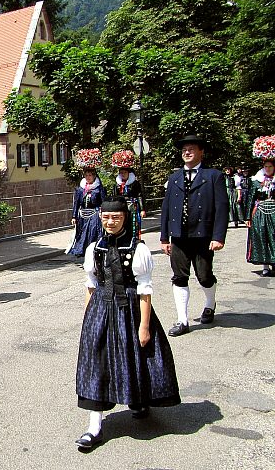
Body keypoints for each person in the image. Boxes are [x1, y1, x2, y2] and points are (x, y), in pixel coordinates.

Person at [75, 197, 180, 451]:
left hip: (129, 309)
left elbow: (145, 291)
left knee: (135, 356)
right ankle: (94, 427)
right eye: (106, 217)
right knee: (96, 364)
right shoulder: (94, 248)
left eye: (116, 218)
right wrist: (89, 318)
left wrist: (144, 326)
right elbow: (91, 285)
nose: (110, 222)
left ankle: (139, 401)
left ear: (125, 218)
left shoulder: (138, 249)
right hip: (100, 309)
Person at [160, 135, 229, 337]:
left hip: (203, 236)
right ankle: (183, 320)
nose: (187, 153)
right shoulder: (174, 178)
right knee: (179, 277)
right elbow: (166, 209)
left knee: (204, 276)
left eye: (191, 149)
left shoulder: (213, 176)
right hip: (179, 237)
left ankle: (209, 304)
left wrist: (218, 237)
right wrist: (165, 238)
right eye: (184, 150)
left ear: (201, 152)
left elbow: (222, 208)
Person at [68, 148, 107, 257]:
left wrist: (103, 213)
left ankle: (95, 251)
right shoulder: (80, 189)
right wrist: (74, 216)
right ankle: (83, 252)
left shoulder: (99, 189)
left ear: (94, 176)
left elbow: (103, 202)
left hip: (94, 214)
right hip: (82, 215)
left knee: (92, 233)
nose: (88, 177)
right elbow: (76, 203)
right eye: (86, 175)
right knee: (82, 234)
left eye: (90, 175)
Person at [245, 136, 275, 277]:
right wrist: (247, 216)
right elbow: (250, 198)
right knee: (261, 237)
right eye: (266, 166)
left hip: (274, 212)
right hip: (260, 213)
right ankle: (265, 266)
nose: (268, 169)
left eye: (270, 166)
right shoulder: (257, 181)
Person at [111, 150, 146, 239]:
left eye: (125, 173)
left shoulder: (135, 183)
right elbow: (114, 196)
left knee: (133, 224)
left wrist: (142, 209)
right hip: (122, 206)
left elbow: (139, 196)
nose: (123, 175)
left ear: (129, 173)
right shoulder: (117, 185)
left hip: (132, 206)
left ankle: (135, 240)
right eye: (121, 173)